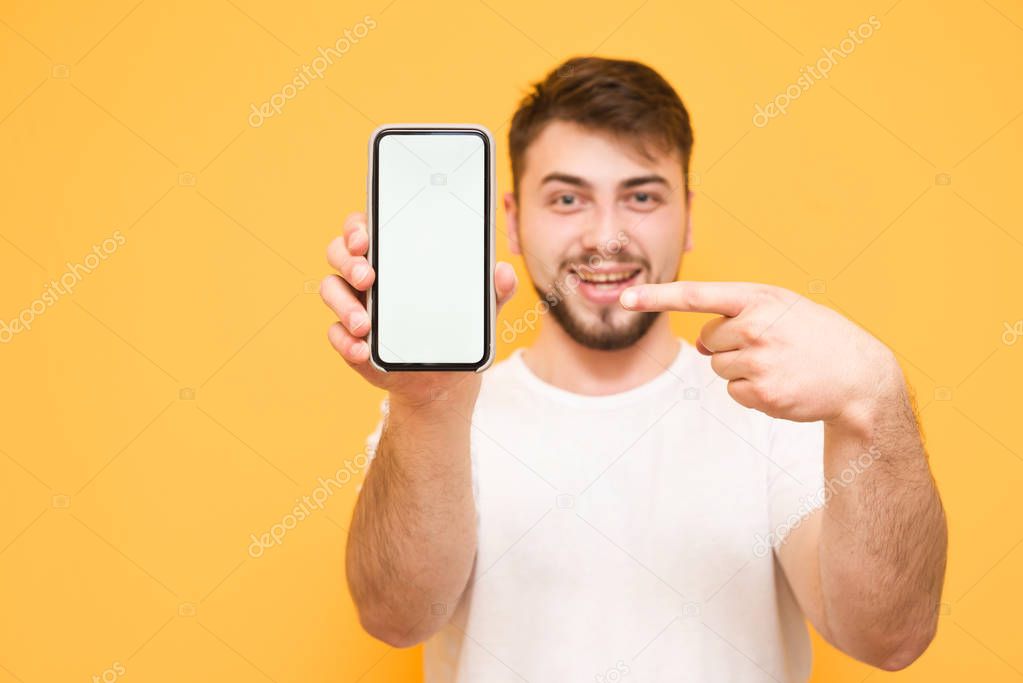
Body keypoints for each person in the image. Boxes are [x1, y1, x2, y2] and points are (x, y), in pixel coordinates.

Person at [319, 56, 948, 683]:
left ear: (689, 215)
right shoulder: (439, 410)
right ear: (511, 219)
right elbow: (395, 620)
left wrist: (876, 398)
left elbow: (887, 637)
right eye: (567, 198)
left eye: (641, 196)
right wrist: (428, 406)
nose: (607, 237)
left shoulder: (773, 408)